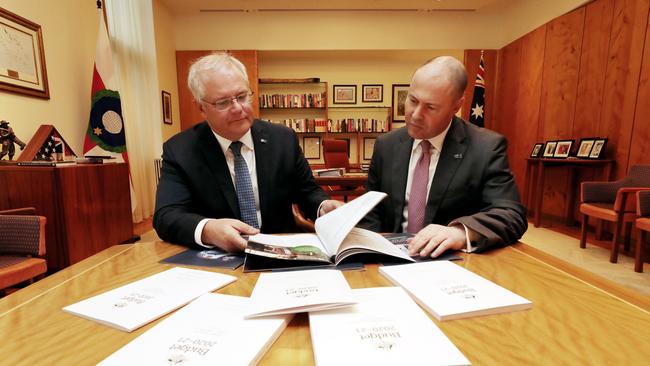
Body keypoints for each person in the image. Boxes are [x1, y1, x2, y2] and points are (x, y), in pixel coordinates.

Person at [154, 52, 342, 252]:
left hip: (283, 251)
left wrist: (323, 206)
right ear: (201, 107)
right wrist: (209, 229)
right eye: (223, 102)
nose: (237, 108)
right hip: (220, 257)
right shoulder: (181, 150)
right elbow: (166, 215)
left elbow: (308, 193)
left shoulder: (283, 139)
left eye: (242, 96)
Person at [360, 56, 527, 258]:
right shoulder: (386, 145)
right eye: (412, 100)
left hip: (450, 262)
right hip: (389, 257)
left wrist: (459, 232)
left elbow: (511, 215)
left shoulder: (486, 148)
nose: (415, 115)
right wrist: (373, 253)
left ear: (457, 106)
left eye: (430, 107)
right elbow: (371, 211)